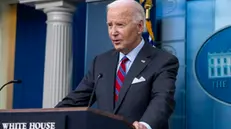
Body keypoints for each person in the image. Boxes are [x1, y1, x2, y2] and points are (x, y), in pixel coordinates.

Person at [55, 0, 179, 129]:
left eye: (120, 25)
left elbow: (162, 100)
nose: (113, 32)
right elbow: (76, 100)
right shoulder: (101, 61)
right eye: (110, 25)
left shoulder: (163, 60)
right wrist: (48, 118)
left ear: (140, 27)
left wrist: (144, 125)